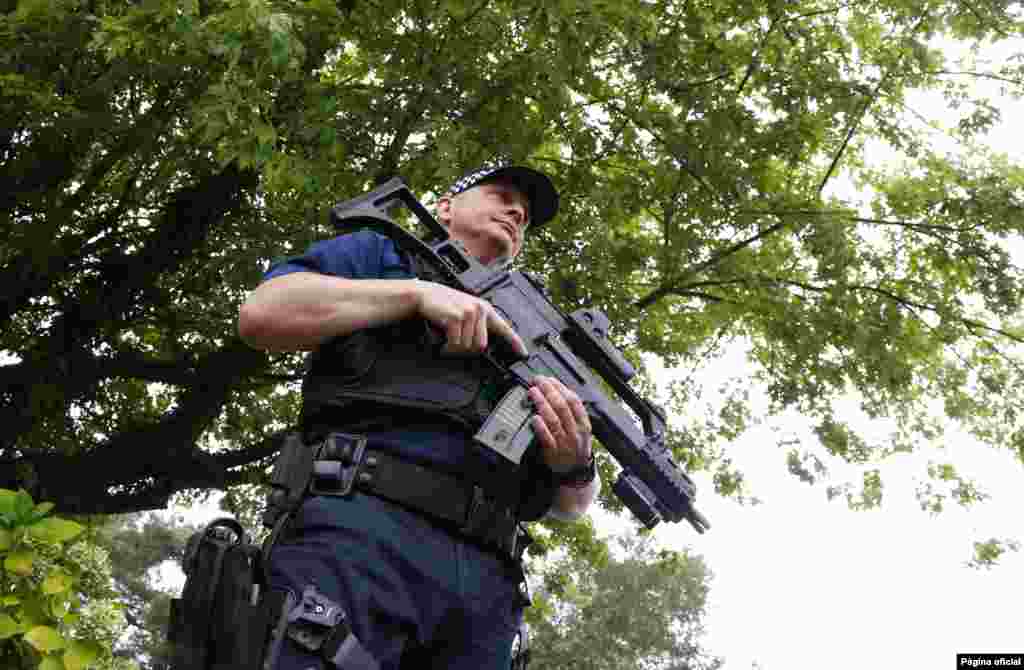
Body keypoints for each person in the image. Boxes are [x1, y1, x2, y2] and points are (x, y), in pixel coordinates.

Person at [237, 161, 601, 669]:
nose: (517, 211)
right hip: (361, 531)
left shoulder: (543, 341)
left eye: (525, 214)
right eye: (500, 194)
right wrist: (415, 294)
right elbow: (263, 314)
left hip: (488, 583)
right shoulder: (385, 252)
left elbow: (570, 507)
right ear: (445, 207)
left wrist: (576, 463)